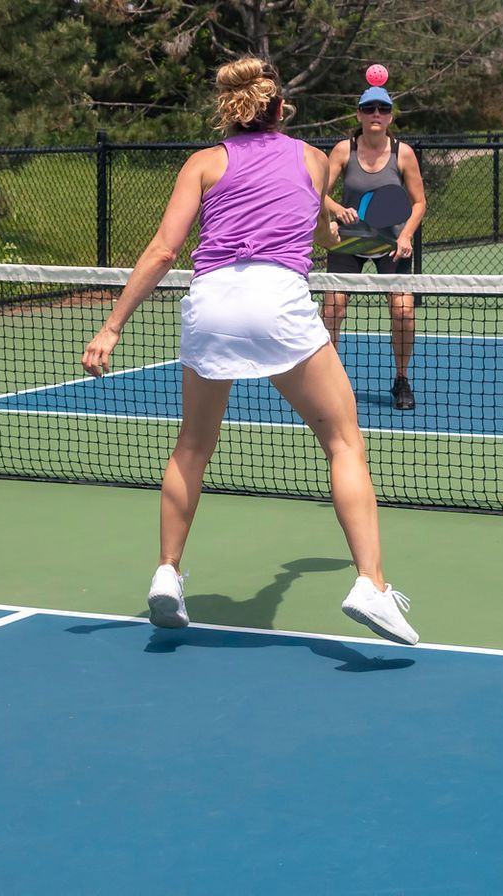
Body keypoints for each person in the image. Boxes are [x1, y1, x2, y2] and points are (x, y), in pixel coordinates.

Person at [80, 58, 419, 646]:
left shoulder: (204, 162)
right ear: (281, 110)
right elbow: (312, 233)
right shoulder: (314, 160)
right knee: (344, 441)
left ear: (228, 112)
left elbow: (164, 250)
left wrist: (111, 327)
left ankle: (166, 573)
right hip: (277, 300)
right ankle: (372, 583)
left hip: (211, 301)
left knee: (191, 445)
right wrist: (335, 231)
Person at [318, 83, 428, 410]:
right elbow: (316, 191)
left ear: (390, 116)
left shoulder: (402, 153)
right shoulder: (342, 150)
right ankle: (330, 380)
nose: (375, 114)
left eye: (382, 109)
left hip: (391, 244)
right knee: (332, 310)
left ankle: (402, 379)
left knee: (404, 313)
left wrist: (406, 236)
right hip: (349, 240)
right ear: (359, 115)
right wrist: (336, 209)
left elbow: (419, 202)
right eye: (369, 109)